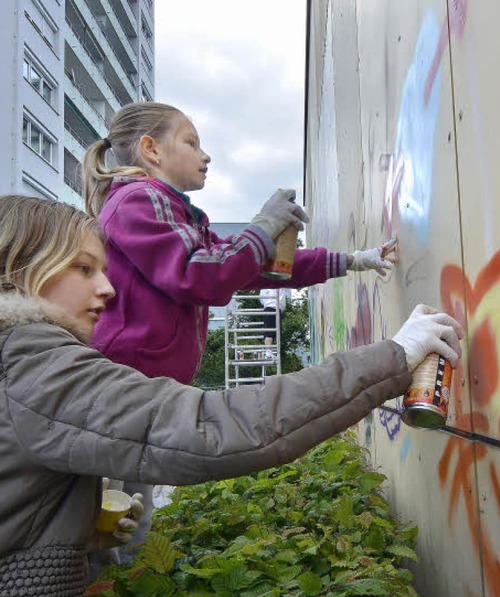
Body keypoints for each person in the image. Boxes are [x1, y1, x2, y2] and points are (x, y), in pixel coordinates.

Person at [0, 195, 463, 597]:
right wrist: (393, 357)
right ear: (21, 270)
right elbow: (211, 430)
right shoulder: (30, 362)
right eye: (84, 267)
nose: (108, 288)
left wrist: (75, 532)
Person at [81, 100, 397, 539]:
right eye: (191, 142)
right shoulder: (138, 201)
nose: (204, 155)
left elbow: (249, 266)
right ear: (151, 149)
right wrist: (263, 225)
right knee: (106, 513)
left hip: (143, 388)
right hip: (123, 387)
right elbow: (202, 276)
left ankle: (119, 591)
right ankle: (95, 595)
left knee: (128, 511)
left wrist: (351, 260)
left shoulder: (172, 209)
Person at [259, 287, 286, 360]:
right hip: (274, 307)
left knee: (271, 331)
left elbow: (261, 298)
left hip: (270, 307)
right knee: (270, 332)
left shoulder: (264, 284)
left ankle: (269, 352)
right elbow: (281, 297)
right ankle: (268, 353)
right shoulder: (278, 283)